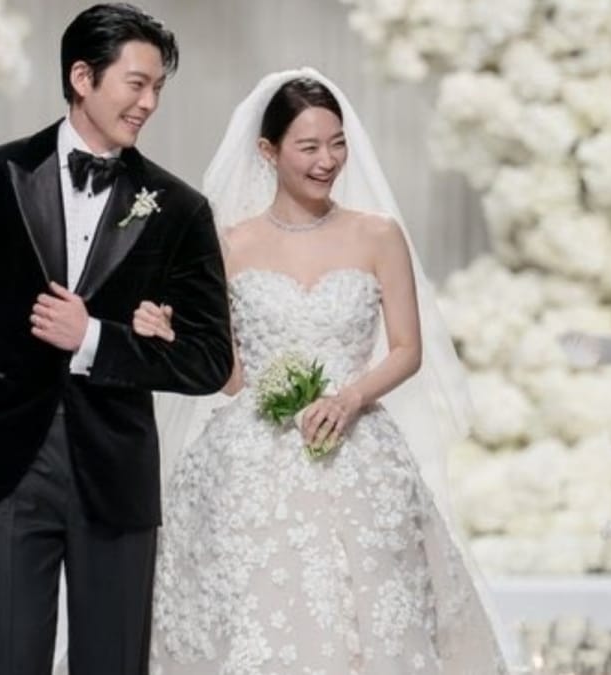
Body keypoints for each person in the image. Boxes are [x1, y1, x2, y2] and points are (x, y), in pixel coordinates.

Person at [0, 4, 233, 674]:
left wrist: (96, 339)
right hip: (5, 459)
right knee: (4, 656)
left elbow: (209, 359)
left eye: (158, 88)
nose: (149, 102)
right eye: (136, 83)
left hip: (115, 468)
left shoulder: (179, 208)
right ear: (82, 77)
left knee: (112, 661)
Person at [136, 70, 505, 673]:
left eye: (336, 144)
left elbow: (406, 349)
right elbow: (232, 378)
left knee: (373, 620)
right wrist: (177, 339)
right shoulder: (230, 244)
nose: (326, 160)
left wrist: (350, 398)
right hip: (248, 465)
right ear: (268, 151)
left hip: (359, 452)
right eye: (308, 147)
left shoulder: (377, 235)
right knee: (254, 621)